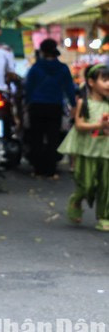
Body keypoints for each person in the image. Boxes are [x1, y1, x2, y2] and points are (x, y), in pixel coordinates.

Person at [57, 64, 109, 231]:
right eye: (105, 80)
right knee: (87, 185)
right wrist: (99, 126)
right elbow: (79, 125)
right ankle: (77, 199)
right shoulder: (83, 103)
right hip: (87, 150)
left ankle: (104, 217)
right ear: (91, 82)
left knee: (106, 186)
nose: (108, 84)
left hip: (106, 151)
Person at [24, 39, 76, 179]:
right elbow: (69, 89)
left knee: (37, 137)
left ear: (42, 51)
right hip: (55, 107)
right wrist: (74, 106)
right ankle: (51, 170)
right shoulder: (63, 68)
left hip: (37, 106)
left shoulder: (35, 68)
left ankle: (37, 169)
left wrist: (26, 103)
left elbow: (28, 88)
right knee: (53, 137)